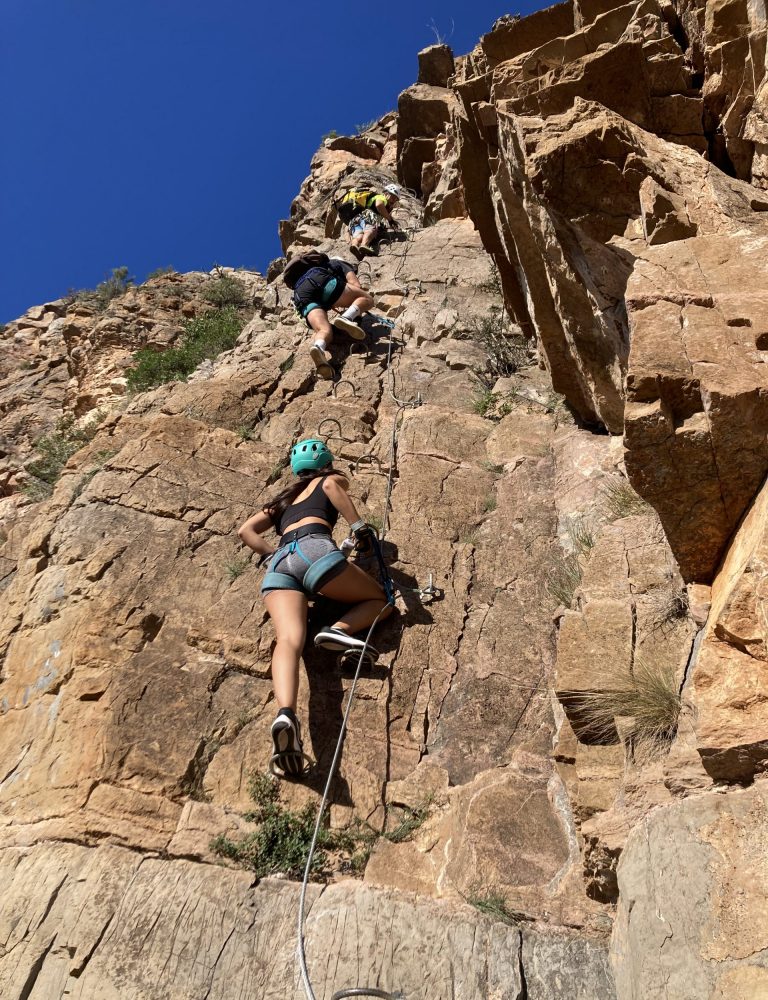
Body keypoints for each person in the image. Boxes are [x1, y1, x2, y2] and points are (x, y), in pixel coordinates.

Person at [237, 438, 393, 776]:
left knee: (289, 641)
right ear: (325, 462)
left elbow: (245, 530)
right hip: (314, 549)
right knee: (380, 600)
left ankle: (285, 713)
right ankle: (337, 631)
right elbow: (334, 489)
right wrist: (358, 527)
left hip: (279, 563)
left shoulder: (282, 500)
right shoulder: (328, 480)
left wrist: (268, 555)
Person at [283, 253, 375, 380]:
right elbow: (356, 286)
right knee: (366, 298)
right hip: (318, 279)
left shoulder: (301, 277)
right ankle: (347, 318)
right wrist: (352, 310)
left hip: (300, 294)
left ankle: (319, 347)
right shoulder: (338, 263)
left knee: (324, 330)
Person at [348, 184, 402, 260]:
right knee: (371, 230)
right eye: (393, 197)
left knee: (359, 236)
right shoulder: (381, 197)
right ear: (386, 193)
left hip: (356, 219)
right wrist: (390, 220)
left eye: (396, 199)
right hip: (367, 217)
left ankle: (354, 246)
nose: (394, 200)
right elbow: (379, 205)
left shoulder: (376, 199)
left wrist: (391, 221)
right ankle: (364, 245)